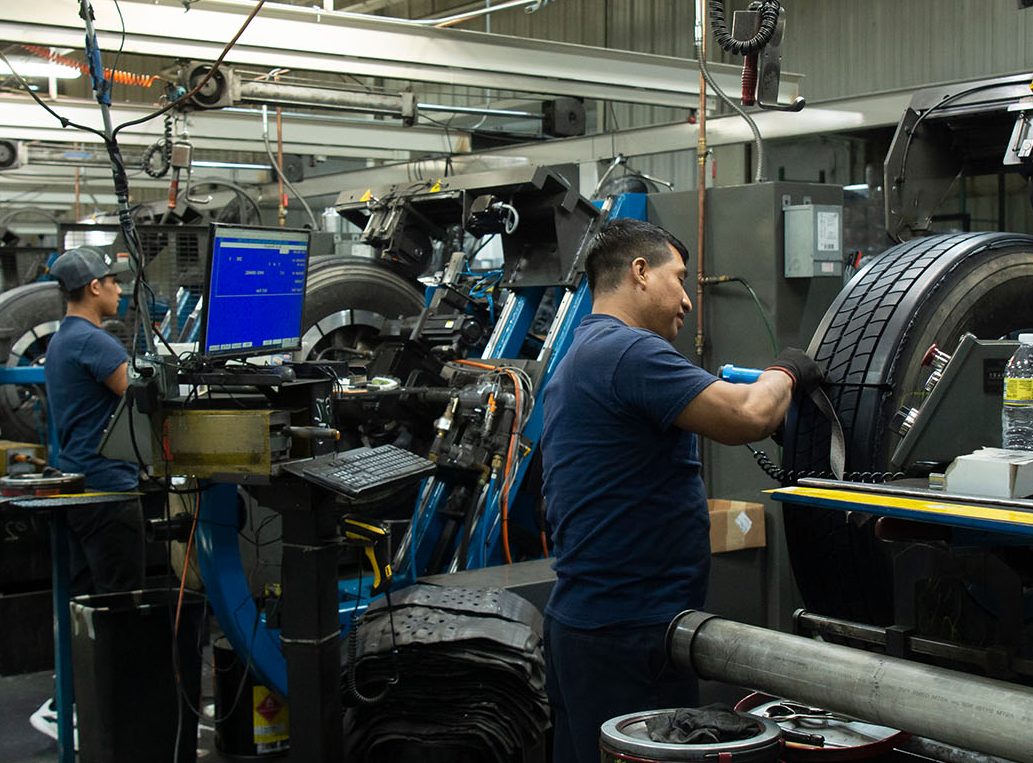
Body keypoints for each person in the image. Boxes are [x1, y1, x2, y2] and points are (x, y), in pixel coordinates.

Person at [539, 218, 823, 763]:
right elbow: (747, 415)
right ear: (640, 272)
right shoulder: (629, 353)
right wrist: (787, 371)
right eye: (681, 278)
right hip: (631, 635)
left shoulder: (582, 354)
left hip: (590, 624)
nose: (689, 300)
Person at [30, 246, 144, 743]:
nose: (120, 289)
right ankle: (113, 717)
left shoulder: (61, 340)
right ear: (95, 287)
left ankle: (69, 706)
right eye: (114, 282)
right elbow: (143, 400)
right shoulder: (95, 343)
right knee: (120, 606)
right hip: (107, 490)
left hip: (78, 486)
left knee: (88, 606)